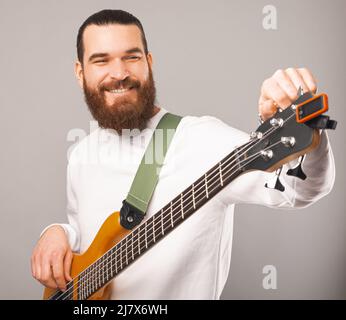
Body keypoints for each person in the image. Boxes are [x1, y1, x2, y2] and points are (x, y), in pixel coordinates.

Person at [31, 9, 335, 299]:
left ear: (149, 62)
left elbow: (299, 190)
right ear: (79, 72)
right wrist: (57, 232)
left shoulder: (201, 139)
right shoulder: (81, 154)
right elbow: (85, 238)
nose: (119, 73)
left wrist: (308, 133)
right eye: (101, 60)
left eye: (132, 57)